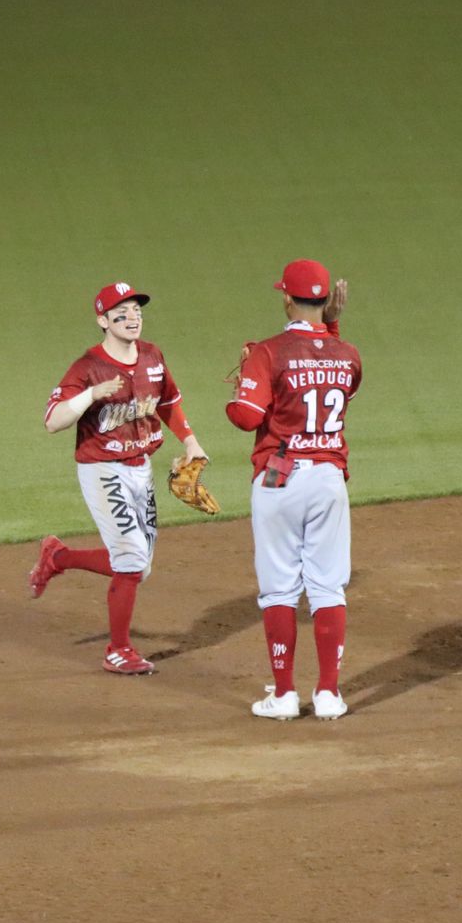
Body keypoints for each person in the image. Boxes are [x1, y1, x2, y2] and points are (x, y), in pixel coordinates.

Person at [28, 281, 208, 676]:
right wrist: (91, 395)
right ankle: (118, 650)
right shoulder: (87, 367)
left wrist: (191, 442)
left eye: (136, 311)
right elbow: (52, 421)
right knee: (130, 560)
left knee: (138, 568)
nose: (132, 318)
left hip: (141, 468)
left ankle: (57, 557)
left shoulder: (152, 356)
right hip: (102, 468)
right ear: (103, 320)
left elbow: (169, 402)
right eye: (121, 313)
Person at [226, 260, 360, 720]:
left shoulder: (268, 352)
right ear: (326, 300)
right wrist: (333, 325)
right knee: (328, 588)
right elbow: (332, 371)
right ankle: (327, 694)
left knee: (279, 589)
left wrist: (239, 385)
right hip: (328, 481)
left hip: (279, 479)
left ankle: (283, 694)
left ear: (286, 297)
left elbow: (247, 416)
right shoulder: (348, 353)